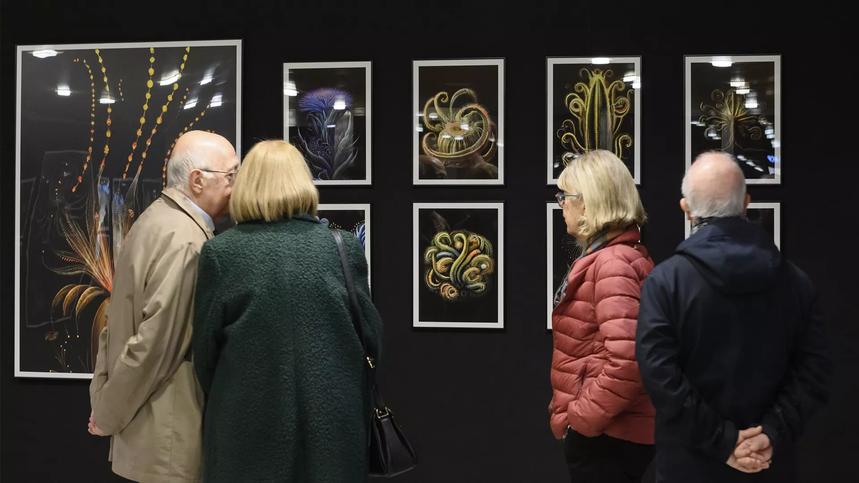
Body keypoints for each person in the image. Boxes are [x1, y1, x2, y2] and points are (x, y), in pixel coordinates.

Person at [192, 140, 383, 482]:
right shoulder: (342, 247)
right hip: (333, 428)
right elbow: (371, 340)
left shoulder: (221, 254)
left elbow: (205, 357)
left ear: (246, 185)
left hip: (245, 427)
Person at [635, 151, 831, 482]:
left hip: (688, 466)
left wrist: (724, 442)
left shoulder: (665, 283)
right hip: (769, 463)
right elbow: (814, 370)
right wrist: (770, 432)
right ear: (746, 204)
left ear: (686, 210)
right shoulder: (795, 281)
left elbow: (661, 379)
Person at [88, 130, 239, 482]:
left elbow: (114, 327)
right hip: (167, 447)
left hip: (145, 440)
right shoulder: (187, 242)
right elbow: (154, 347)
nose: (236, 185)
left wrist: (102, 401)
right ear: (197, 181)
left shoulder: (152, 221)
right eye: (230, 175)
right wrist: (107, 414)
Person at [548, 149, 655, 482]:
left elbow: (628, 360)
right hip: (610, 433)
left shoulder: (612, 263)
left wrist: (582, 421)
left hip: (609, 436)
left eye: (566, 196)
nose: (561, 204)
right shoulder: (614, 257)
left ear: (588, 201)